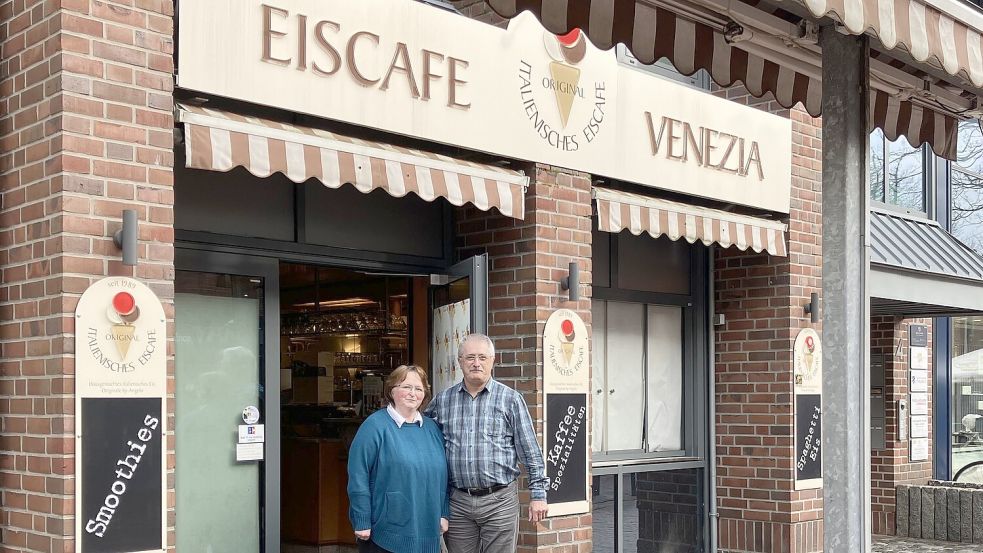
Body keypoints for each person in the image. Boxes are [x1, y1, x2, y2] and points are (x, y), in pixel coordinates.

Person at [424, 333, 548, 553]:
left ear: (493, 361)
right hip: (458, 501)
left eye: (482, 357)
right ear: (460, 361)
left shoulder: (510, 399)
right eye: (470, 357)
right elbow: (424, 443)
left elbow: (530, 451)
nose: (476, 363)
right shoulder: (442, 401)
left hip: (499, 500)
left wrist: (538, 495)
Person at [347, 365, 450, 553]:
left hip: (427, 532)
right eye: (406, 387)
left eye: (418, 389)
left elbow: (443, 476)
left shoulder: (432, 429)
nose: (413, 393)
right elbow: (358, 474)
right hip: (386, 534)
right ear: (391, 391)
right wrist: (361, 519)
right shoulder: (374, 426)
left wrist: (443, 512)